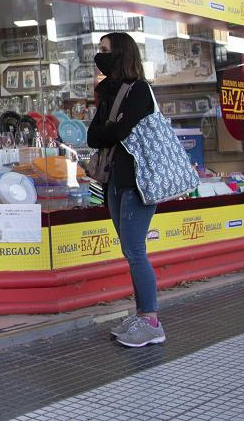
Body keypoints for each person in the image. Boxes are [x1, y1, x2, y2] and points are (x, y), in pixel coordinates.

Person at [87, 32, 165, 347]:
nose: (100, 55)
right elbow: (94, 137)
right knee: (129, 251)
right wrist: (111, 129)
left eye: (105, 50)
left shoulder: (139, 90)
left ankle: (151, 321)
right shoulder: (107, 91)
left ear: (121, 53)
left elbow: (120, 130)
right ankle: (141, 314)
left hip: (138, 182)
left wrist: (111, 129)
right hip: (114, 183)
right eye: (99, 49)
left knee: (135, 251)